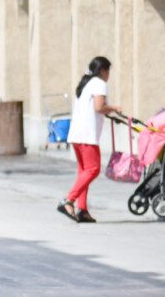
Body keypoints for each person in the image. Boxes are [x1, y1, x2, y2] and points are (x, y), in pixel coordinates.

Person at [59, 56, 120, 223]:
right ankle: (68, 200)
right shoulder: (99, 83)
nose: (108, 76)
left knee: (83, 172)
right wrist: (115, 108)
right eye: (108, 72)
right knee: (92, 170)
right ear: (103, 70)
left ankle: (83, 209)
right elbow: (99, 107)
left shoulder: (86, 83)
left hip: (77, 134)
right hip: (87, 135)